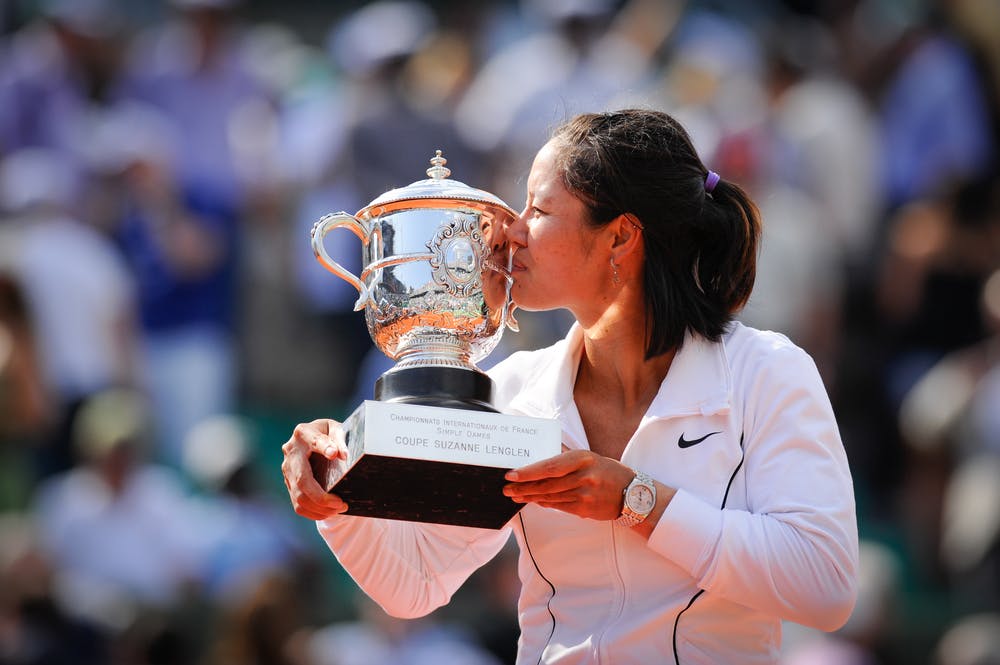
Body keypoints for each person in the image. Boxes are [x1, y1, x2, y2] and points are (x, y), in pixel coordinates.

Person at [281, 109, 859, 664]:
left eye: (538, 209)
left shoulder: (766, 372)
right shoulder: (511, 391)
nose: (509, 230)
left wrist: (636, 500)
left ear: (619, 239)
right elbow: (414, 586)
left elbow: (825, 586)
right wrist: (336, 494)